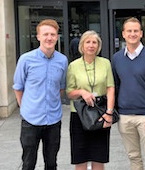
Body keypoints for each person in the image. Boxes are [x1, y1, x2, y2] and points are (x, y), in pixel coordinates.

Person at [13, 19, 68, 170]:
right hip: (31, 120)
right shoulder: (26, 59)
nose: (49, 38)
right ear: (38, 37)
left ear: (57, 37)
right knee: (28, 163)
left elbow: (61, 88)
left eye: (52, 34)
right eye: (45, 34)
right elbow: (18, 87)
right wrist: (24, 108)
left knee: (51, 163)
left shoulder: (62, 61)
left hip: (53, 120)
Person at [111, 17, 145, 170]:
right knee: (133, 158)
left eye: (135, 31)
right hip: (124, 117)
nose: (132, 34)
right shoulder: (117, 59)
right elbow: (115, 86)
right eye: (129, 31)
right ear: (123, 34)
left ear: (141, 33)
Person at [66, 30, 115, 170]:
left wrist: (109, 113)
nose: (91, 45)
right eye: (88, 42)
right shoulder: (73, 66)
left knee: (98, 157)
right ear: (82, 45)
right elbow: (69, 93)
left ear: (98, 46)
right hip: (79, 116)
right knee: (80, 158)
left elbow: (110, 88)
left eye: (94, 42)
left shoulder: (105, 63)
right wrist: (82, 92)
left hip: (100, 115)